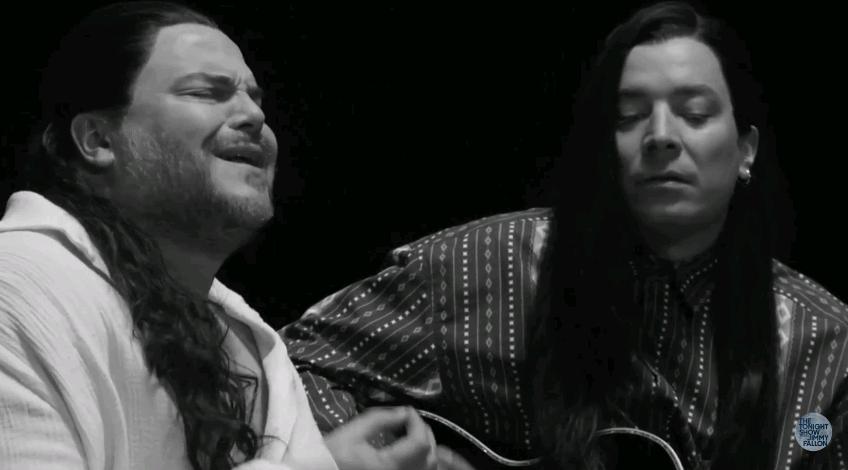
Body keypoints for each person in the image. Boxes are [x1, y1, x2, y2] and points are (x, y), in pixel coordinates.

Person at [281, 2, 848, 469]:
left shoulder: (824, 344)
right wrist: (344, 460)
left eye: (694, 113)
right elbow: (293, 363)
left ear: (746, 150)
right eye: (627, 117)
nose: (660, 135)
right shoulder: (491, 267)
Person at [0, 2, 458, 470]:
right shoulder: (17, 287)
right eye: (206, 92)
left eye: (255, 98)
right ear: (99, 140)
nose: (253, 116)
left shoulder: (253, 346)